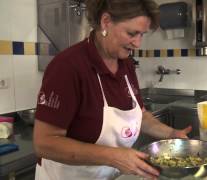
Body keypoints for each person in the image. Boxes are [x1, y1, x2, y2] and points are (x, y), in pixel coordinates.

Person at [33, 0, 192, 179]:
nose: (138, 43)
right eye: (132, 33)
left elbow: (141, 115)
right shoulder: (68, 67)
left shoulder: (126, 65)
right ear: (106, 21)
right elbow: (44, 143)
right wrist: (114, 157)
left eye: (142, 35)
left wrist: (171, 134)